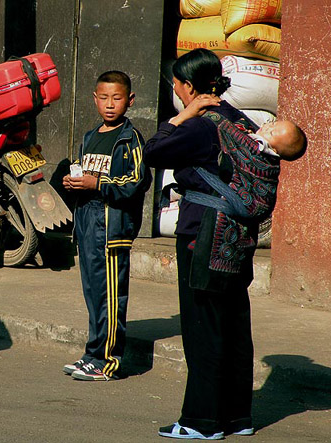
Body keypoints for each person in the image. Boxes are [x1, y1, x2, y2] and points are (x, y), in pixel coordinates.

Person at [143, 48, 271, 439]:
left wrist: (179, 118)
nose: (176, 92)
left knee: (203, 325)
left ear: (187, 86)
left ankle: (201, 421)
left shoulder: (198, 125)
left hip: (203, 232)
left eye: (177, 85)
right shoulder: (240, 119)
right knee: (234, 320)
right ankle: (238, 417)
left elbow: (150, 152)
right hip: (239, 233)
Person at [62, 71, 152, 381]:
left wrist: (96, 183)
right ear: (94, 99)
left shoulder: (131, 139)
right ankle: (91, 354)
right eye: (104, 98)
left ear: (130, 101)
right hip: (88, 226)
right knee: (93, 295)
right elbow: (85, 175)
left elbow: (136, 182)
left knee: (110, 298)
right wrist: (74, 183)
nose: (110, 105)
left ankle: (107, 362)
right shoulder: (90, 137)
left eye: (116, 98)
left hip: (112, 230)